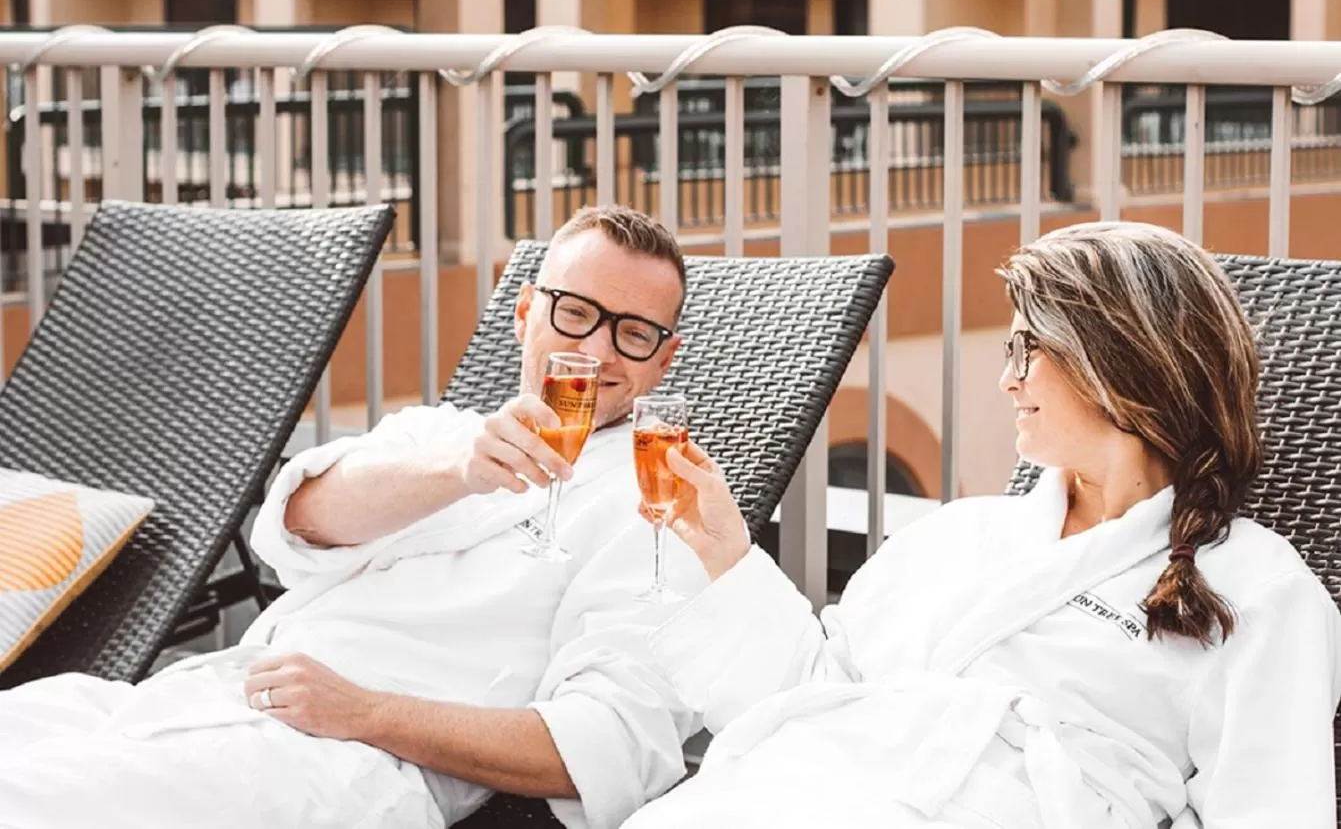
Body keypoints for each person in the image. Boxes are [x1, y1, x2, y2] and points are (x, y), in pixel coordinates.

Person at [0, 204, 707, 829]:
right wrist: (456, 470)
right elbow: (297, 522)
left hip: (343, 765)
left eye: (634, 333)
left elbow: (612, 742)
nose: (596, 350)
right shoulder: (436, 433)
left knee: (39, 798)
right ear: (525, 313)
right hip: (197, 695)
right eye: (575, 313)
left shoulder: (658, 504)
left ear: (664, 360)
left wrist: (367, 713)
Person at [624, 222, 1341, 829]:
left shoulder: (1256, 587)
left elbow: (1270, 810)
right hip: (798, 791)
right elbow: (807, 696)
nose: (1008, 379)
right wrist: (726, 551)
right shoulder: (957, 535)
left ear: (1120, 365)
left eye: (1028, 350)